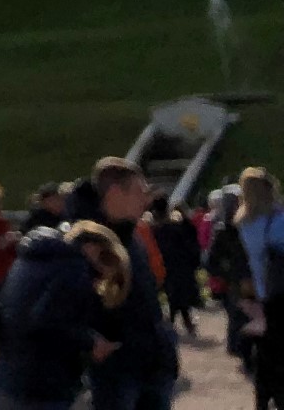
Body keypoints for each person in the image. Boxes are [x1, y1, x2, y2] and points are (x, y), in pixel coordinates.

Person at [0, 220, 129, 410]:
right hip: (44, 387)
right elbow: (48, 321)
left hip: (7, 378)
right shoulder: (74, 268)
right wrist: (91, 342)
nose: (104, 270)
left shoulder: (30, 258)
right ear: (89, 248)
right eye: (105, 258)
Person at [86, 158, 179, 410]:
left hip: (150, 363)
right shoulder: (90, 242)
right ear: (115, 193)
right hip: (118, 370)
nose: (146, 199)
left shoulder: (134, 236)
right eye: (140, 191)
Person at [237, 169, 284, 409]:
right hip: (281, 295)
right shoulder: (278, 221)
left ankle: (263, 401)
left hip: (261, 293)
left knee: (266, 355)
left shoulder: (244, 223)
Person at [205, 185, 254, 371]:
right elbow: (211, 261)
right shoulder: (223, 230)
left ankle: (248, 354)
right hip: (239, 281)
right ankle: (245, 356)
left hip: (246, 278)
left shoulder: (248, 224)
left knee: (247, 317)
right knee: (240, 318)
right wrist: (228, 275)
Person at [154, 204, 202, 339]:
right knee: (179, 297)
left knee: (173, 297)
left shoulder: (157, 230)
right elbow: (190, 246)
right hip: (180, 266)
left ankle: (175, 323)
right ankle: (183, 324)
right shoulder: (180, 229)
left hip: (168, 266)